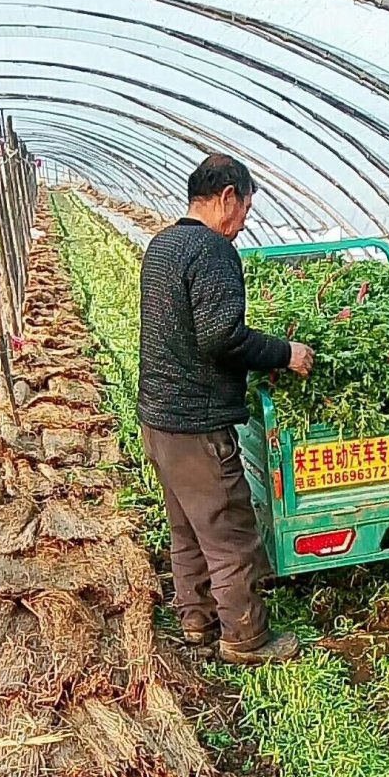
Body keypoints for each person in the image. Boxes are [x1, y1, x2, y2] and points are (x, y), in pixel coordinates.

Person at [138, 154, 314, 664]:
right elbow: (221, 338)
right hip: (197, 424)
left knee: (188, 525)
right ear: (227, 197)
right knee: (230, 533)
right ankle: (246, 638)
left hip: (160, 419)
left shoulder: (163, 244)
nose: (244, 224)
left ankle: (196, 619)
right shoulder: (212, 251)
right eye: (246, 210)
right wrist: (286, 353)